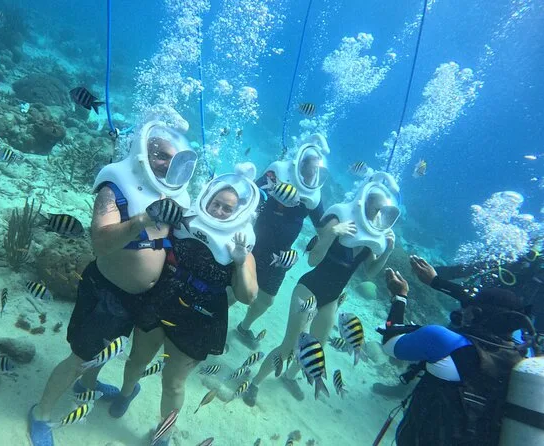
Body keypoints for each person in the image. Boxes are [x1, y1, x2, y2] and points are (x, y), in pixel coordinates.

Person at [28, 120, 197, 446]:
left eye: (172, 158)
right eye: (160, 155)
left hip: (140, 298)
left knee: (105, 351)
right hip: (107, 293)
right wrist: (144, 218)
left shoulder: (173, 193)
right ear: (141, 153)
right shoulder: (114, 188)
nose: (167, 163)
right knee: (80, 358)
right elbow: (101, 243)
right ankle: (41, 413)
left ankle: (87, 387)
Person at [110, 171, 259, 445]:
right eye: (216, 203)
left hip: (200, 317)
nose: (219, 210)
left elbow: (248, 296)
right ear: (207, 199)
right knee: (137, 360)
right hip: (162, 297)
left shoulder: (241, 244)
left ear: (239, 212)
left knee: (174, 382)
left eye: (227, 208)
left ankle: (163, 434)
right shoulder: (184, 220)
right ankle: (125, 393)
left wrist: (240, 262)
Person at [244, 171, 400, 405]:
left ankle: (289, 377)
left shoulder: (372, 236)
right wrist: (331, 234)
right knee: (290, 345)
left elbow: (369, 272)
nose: (378, 215)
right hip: (309, 288)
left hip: (332, 298)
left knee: (317, 347)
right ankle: (255, 383)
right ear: (364, 202)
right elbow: (313, 260)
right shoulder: (339, 220)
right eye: (376, 208)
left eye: (382, 211)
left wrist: (387, 251)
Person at [376, 256, 537, 445]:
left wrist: (399, 296)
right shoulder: (524, 363)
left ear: (475, 313)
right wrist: (437, 281)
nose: (462, 310)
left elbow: (390, 344)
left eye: (468, 307)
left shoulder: (442, 341)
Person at [235, 134, 329, 348]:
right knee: (234, 288)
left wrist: (335, 229)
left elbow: (321, 225)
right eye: (311, 168)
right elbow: (252, 193)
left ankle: (244, 327)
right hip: (255, 243)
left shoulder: (313, 192)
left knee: (266, 300)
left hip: (281, 254)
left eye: (317, 170)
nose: (313, 173)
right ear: (301, 164)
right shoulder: (278, 171)